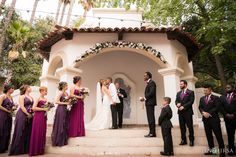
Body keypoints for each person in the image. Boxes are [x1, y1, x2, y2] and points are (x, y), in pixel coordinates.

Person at [198, 84, 225, 157]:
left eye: (206, 90)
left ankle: (222, 152)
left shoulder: (216, 98)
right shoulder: (202, 98)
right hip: (205, 120)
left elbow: (217, 107)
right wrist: (203, 112)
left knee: (218, 136)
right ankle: (212, 151)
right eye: (204, 90)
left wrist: (209, 113)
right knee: (208, 136)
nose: (205, 91)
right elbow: (200, 107)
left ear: (210, 90)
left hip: (214, 120)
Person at [9, 85, 33, 155]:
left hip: (30, 115)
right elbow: (22, 106)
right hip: (22, 115)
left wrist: (32, 113)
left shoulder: (31, 97)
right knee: (20, 130)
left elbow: (31, 106)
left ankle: (25, 149)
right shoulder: (22, 97)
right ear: (25, 89)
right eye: (29, 87)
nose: (30, 88)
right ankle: (17, 149)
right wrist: (27, 113)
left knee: (27, 130)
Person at [29, 86, 50, 156]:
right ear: (41, 91)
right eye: (45, 91)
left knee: (42, 131)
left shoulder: (46, 99)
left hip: (44, 116)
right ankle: (34, 150)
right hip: (38, 116)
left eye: (46, 91)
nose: (46, 92)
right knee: (37, 131)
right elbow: (33, 108)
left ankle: (40, 150)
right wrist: (43, 109)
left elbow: (46, 108)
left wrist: (47, 109)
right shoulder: (37, 98)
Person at [175, 80, 195, 146]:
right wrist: (177, 104)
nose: (180, 85)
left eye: (181, 84)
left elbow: (191, 101)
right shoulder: (178, 93)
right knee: (182, 127)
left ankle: (191, 140)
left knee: (190, 127)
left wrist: (183, 106)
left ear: (185, 85)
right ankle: (183, 140)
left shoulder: (191, 92)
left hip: (188, 112)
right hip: (180, 113)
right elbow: (176, 101)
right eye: (180, 84)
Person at [51, 82, 70, 146]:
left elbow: (67, 101)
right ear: (64, 86)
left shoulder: (66, 93)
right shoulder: (61, 93)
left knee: (64, 123)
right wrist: (65, 103)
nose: (67, 86)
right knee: (61, 123)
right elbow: (56, 101)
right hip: (61, 109)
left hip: (65, 109)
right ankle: (58, 141)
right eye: (67, 85)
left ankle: (63, 140)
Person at [220, 84, 236, 156]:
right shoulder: (222, 97)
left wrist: (234, 114)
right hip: (228, 120)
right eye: (226, 88)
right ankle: (231, 150)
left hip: (235, 117)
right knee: (230, 135)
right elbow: (221, 107)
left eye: (229, 87)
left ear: (232, 88)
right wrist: (226, 114)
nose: (227, 89)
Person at [140, 71, 157, 137]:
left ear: (148, 76)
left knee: (151, 118)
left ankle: (152, 133)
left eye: (145, 76)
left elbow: (152, 92)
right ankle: (151, 132)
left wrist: (144, 98)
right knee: (149, 118)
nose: (144, 77)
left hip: (150, 103)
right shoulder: (149, 83)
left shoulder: (152, 83)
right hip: (148, 103)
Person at [0, 84, 15, 153]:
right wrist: (7, 110)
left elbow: (12, 106)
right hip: (2, 115)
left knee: (7, 130)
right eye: (12, 88)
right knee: (2, 129)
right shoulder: (3, 96)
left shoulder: (11, 97)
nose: (13, 89)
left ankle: (4, 147)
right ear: (8, 89)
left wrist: (14, 108)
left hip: (9, 115)